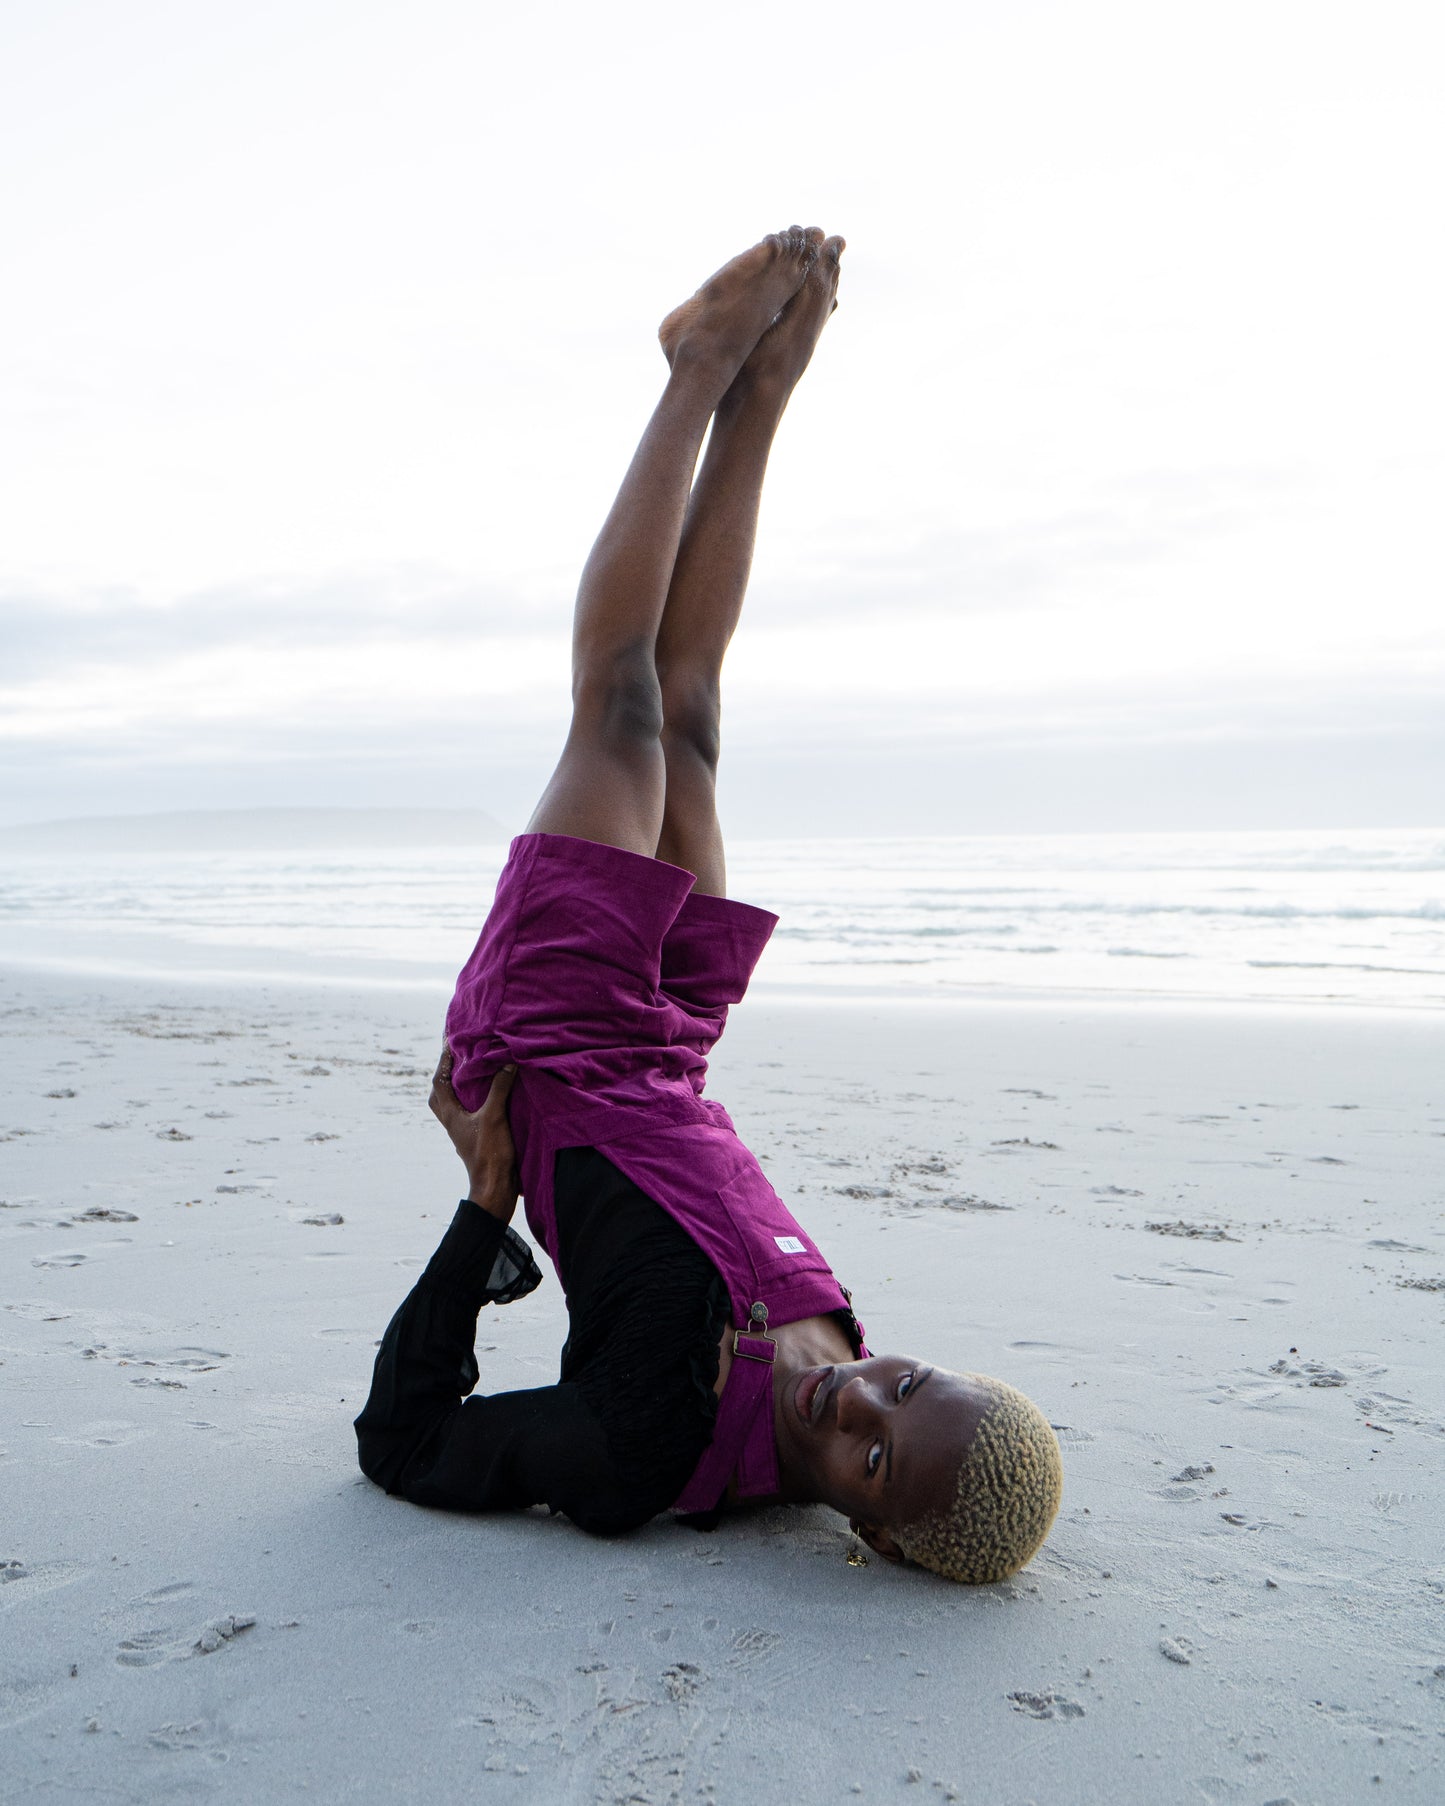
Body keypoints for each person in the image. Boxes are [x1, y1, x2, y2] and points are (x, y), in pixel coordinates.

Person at [355, 228, 1063, 1583]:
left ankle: (694, 371)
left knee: (619, 704)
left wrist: (482, 1207)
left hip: (552, 1048)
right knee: (696, 716)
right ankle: (763, 397)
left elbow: (403, 1440)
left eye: (870, 1454)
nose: (857, 1401)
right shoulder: (841, 1331)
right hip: (669, 1042)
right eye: (904, 1388)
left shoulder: (651, 1451)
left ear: (869, 1525)